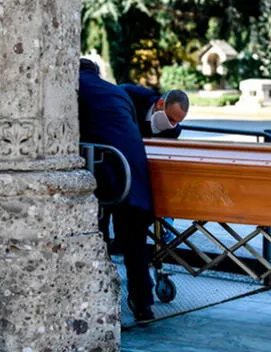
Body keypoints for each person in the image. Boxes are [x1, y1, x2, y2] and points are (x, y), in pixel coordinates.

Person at [78, 58, 156, 323]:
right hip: (135, 174)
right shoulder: (115, 91)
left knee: (97, 238)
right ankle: (144, 305)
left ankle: (97, 300)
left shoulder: (76, 89)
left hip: (105, 174)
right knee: (135, 244)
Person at [118, 83, 190, 245]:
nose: (172, 125)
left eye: (176, 122)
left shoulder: (173, 130)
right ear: (159, 104)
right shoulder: (131, 95)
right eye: (171, 119)